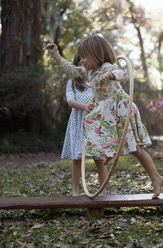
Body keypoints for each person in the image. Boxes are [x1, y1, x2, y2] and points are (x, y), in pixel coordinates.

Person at [47, 35, 163, 198]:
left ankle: (156, 177)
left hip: (120, 108)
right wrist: (56, 55)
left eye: (84, 56)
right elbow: (71, 69)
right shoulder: (89, 73)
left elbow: (122, 73)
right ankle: (107, 156)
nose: (81, 61)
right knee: (94, 128)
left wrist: (109, 76)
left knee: (135, 148)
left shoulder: (106, 68)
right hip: (106, 112)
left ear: (96, 54)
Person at [61, 52, 107, 196]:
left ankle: (103, 191)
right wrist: (85, 107)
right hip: (78, 123)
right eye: (79, 63)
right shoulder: (72, 83)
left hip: (94, 123)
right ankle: (75, 192)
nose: (83, 65)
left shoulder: (96, 80)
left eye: (85, 62)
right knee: (77, 158)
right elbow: (70, 101)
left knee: (99, 158)